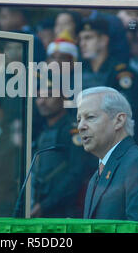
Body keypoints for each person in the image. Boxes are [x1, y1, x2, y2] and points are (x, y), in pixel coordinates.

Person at [77, 86, 138, 233]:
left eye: (90, 117)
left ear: (119, 121)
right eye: (79, 119)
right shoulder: (98, 174)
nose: (81, 126)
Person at [31, 74, 97, 218]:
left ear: (64, 98)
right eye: (38, 96)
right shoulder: (41, 131)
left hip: (65, 212)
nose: (41, 101)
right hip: (42, 207)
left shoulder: (73, 131)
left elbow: (76, 173)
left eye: (49, 95)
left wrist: (45, 205)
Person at [66, 0, 130, 63]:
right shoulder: (70, 25)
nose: (79, 4)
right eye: (73, 2)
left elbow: (121, 53)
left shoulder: (112, 22)